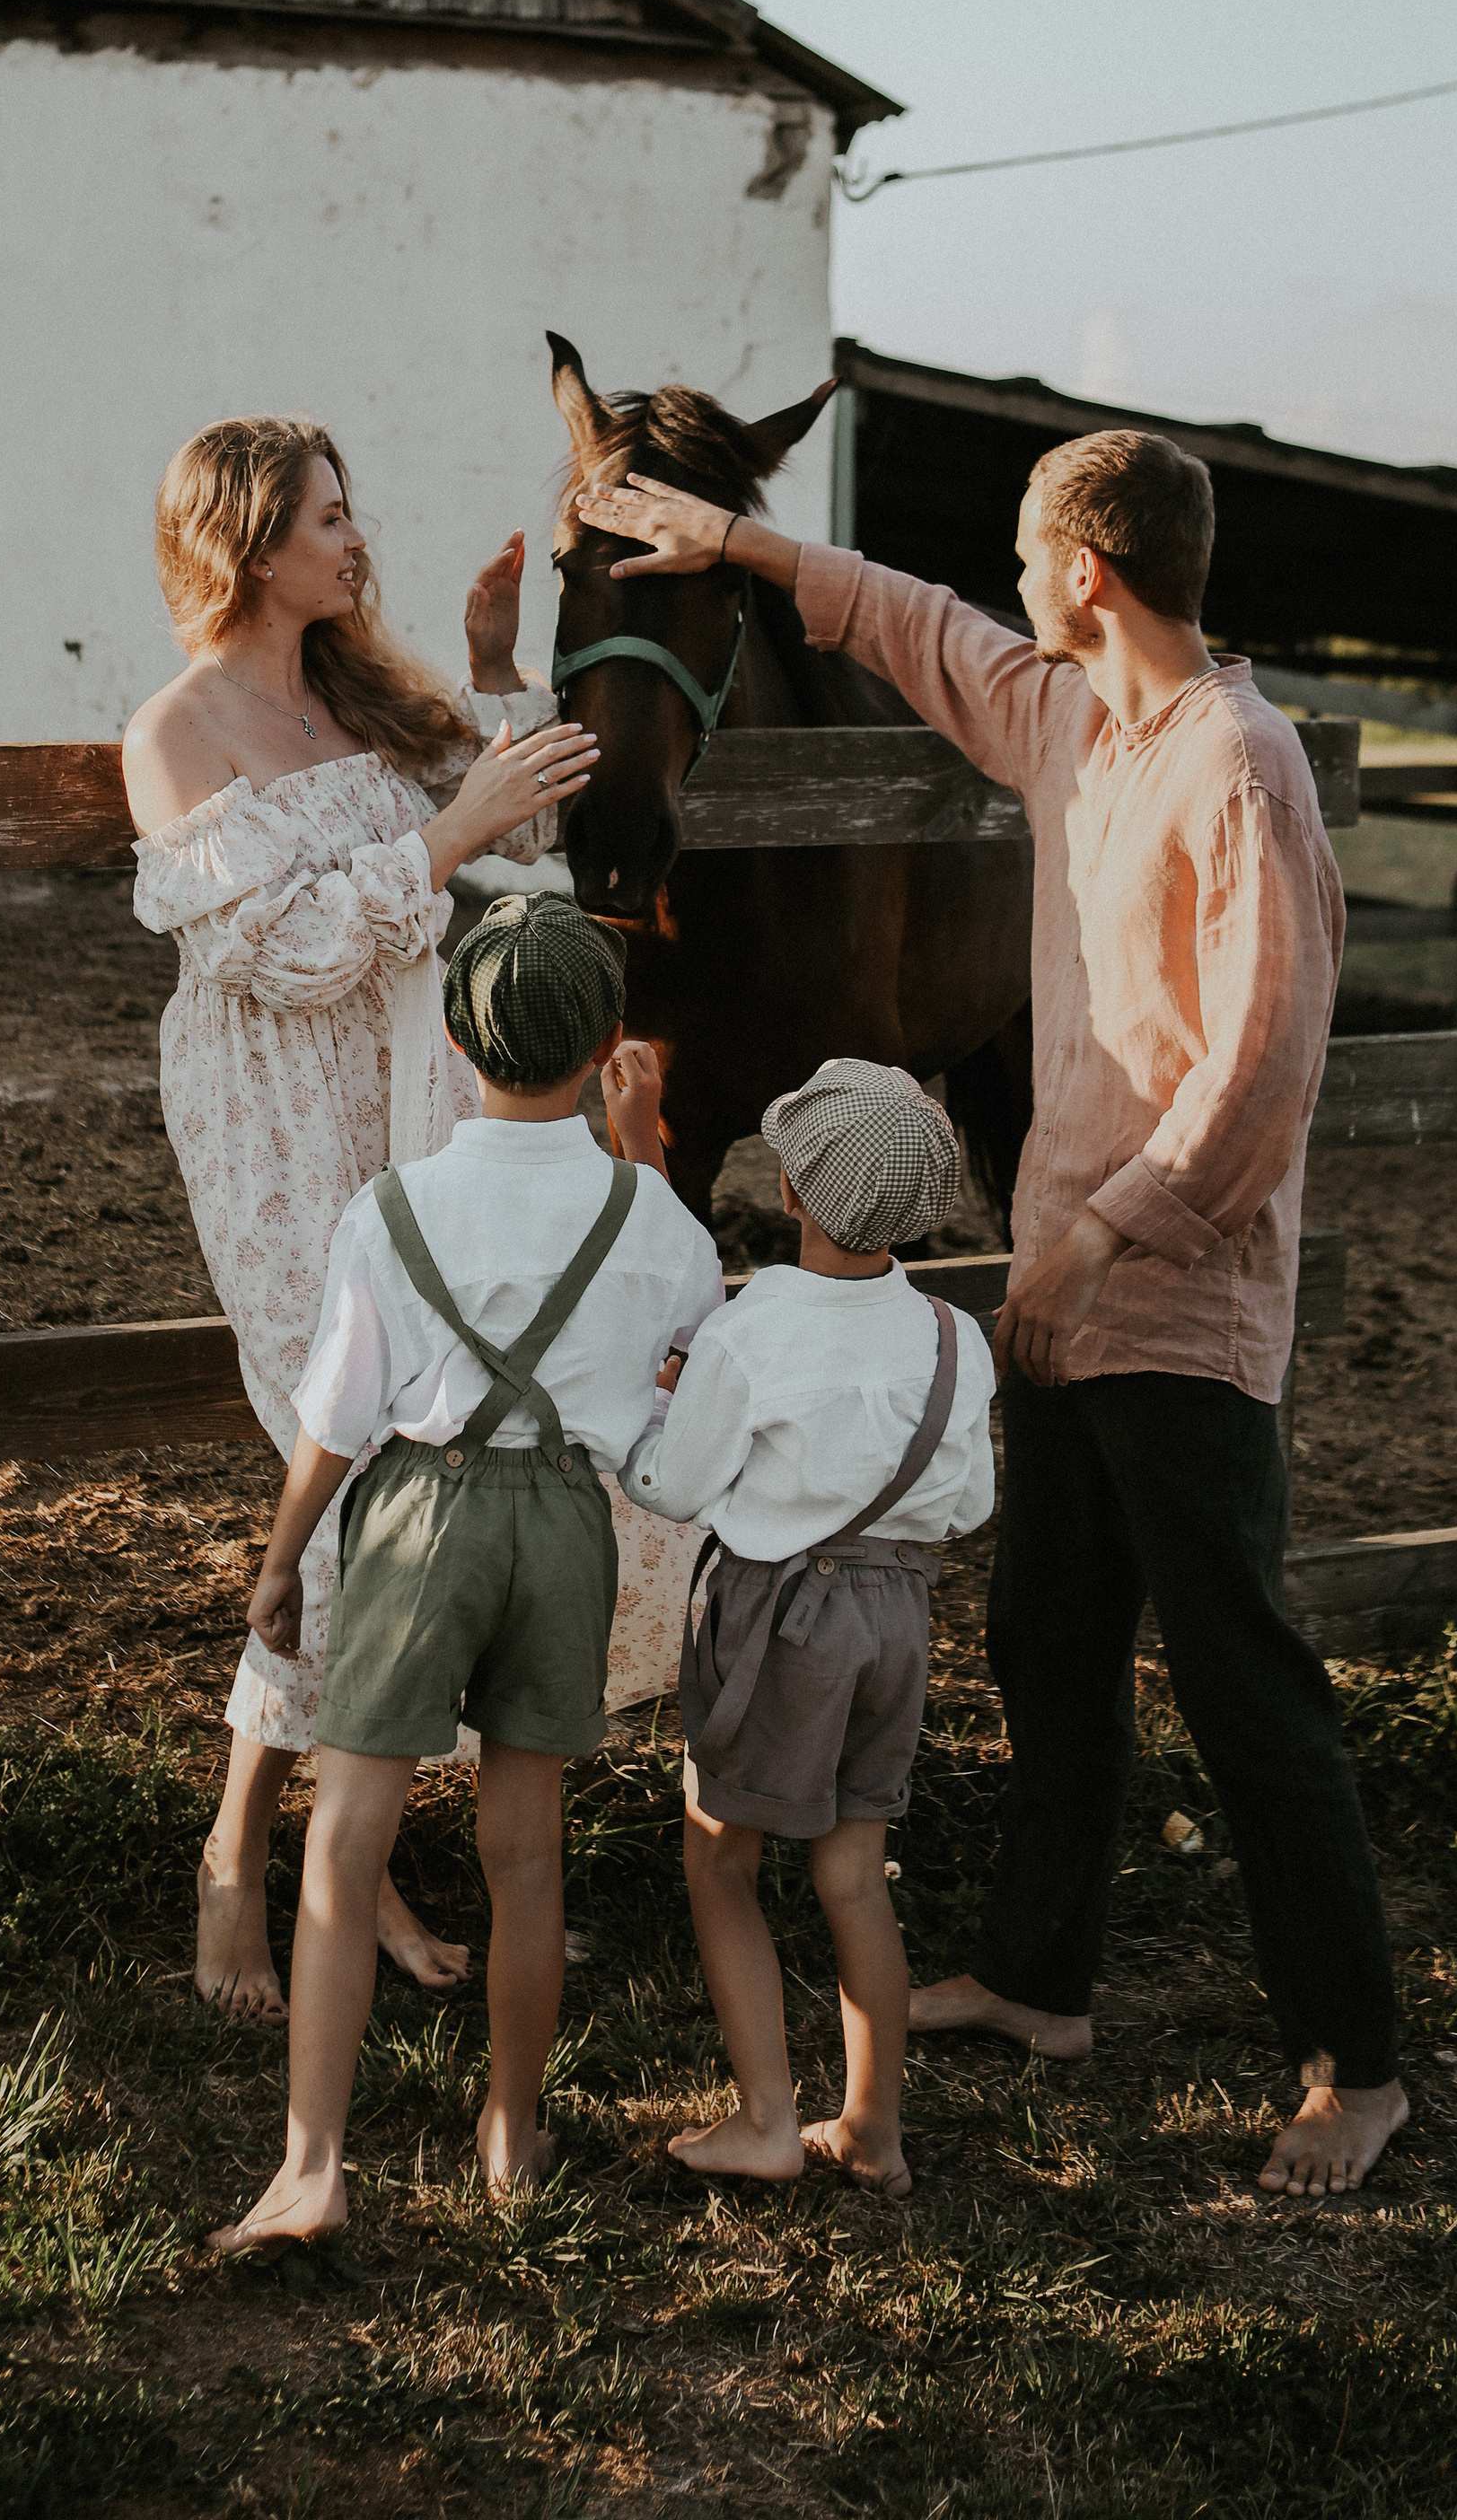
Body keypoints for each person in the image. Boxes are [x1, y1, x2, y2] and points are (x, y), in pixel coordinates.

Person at [578, 426, 1409, 2200]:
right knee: (1045, 1637)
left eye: (1027, 558)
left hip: (1171, 1308)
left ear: (1084, 575)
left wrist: (1104, 1234)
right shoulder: (1072, 724)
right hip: (1062, 1295)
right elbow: (908, 626)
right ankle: (1040, 1978)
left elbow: (1262, 1064)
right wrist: (733, 539)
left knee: (1240, 1678)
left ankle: (1356, 2060)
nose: (1009, 589)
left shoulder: (1238, 772)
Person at [123, 417, 600, 2016]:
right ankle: (235, 1860)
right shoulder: (179, 731)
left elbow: (524, 843)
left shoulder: (368, 698)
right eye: (329, 517)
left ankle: (359, 1856)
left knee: (414, 1477)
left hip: (414, 1115)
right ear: (255, 546)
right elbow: (283, 953)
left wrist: (491, 669)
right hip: (274, 1131)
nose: (355, 536)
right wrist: (444, 839)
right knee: (329, 1495)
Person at [209, 892, 725, 2252]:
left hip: (415, 1519)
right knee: (527, 1852)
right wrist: (637, 1145)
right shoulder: (661, 1225)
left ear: (455, 1036)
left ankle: (312, 2169)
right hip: (565, 1523)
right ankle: (509, 2125)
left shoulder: (393, 1209)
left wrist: (281, 1565)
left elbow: (335, 1411)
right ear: (608, 1038)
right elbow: (681, 1371)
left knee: (348, 1834)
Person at [622, 1058, 995, 2201]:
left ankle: (768, 2118)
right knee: (853, 1872)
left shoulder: (755, 1325)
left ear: (787, 1193)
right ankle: (873, 2128)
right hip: (896, 1616)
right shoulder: (952, 1335)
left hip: (778, 1615)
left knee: (720, 1857)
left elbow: (675, 1491)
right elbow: (973, 1505)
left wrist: (659, 1413)